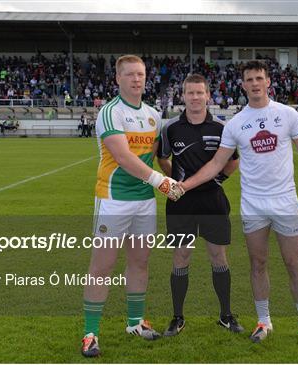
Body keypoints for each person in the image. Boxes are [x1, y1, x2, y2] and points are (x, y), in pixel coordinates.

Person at [179, 60, 298, 348]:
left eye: (259, 78)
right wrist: (186, 185)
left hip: (285, 202)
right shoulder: (236, 124)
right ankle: (263, 321)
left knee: (294, 263)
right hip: (253, 205)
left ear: (268, 82)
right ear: (242, 85)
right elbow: (218, 163)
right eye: (249, 79)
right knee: (258, 263)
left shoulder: (287, 114)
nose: (255, 83)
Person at [81, 55, 184, 358]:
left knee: (140, 262)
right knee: (102, 266)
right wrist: (162, 182)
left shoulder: (153, 114)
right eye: (129, 75)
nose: (136, 79)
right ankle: (90, 333)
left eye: (140, 74)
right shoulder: (110, 112)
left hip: (144, 202)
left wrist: (176, 179)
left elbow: (154, 157)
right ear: (118, 78)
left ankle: (135, 323)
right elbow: (124, 158)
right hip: (113, 200)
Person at [157, 74, 242, 337]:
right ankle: (178, 317)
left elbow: (233, 162)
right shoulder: (170, 128)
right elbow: (162, 158)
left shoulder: (221, 127)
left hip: (213, 201)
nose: (195, 97)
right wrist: (177, 183)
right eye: (190, 93)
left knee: (218, 256)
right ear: (183, 95)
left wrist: (216, 181)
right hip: (181, 203)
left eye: (199, 93)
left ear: (208, 95)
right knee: (181, 257)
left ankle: (226, 315)